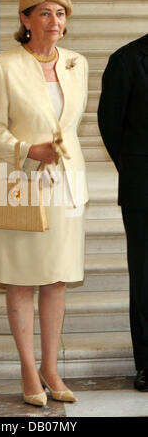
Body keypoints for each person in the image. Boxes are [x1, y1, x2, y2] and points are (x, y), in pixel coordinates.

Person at [0, 0, 89, 406]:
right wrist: (27, 150)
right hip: (18, 182)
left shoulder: (78, 63)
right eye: (45, 13)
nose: (54, 22)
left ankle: (51, 367)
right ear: (25, 19)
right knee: (22, 280)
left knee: (58, 278)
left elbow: (72, 126)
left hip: (66, 183)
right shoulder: (2, 65)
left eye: (60, 14)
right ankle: (28, 367)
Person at [97, 34, 148, 392]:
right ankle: (147, 364)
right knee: (146, 279)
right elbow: (110, 125)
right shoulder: (127, 59)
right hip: (144, 187)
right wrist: (134, 168)